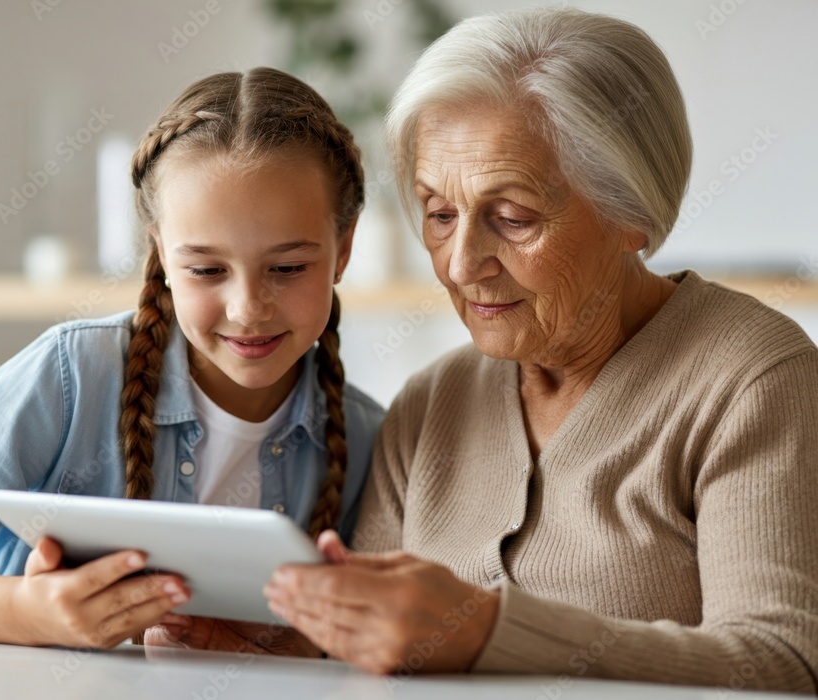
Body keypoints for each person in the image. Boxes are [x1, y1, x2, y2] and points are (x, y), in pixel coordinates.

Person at [261, 8, 818, 692]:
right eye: (439, 215)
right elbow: (358, 662)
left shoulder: (755, 379)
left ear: (632, 212)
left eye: (513, 217)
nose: (461, 264)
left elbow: (783, 663)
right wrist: (254, 645)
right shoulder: (432, 403)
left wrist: (489, 631)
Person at [0, 67, 384, 651]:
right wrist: (24, 613)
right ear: (160, 252)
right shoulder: (73, 377)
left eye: (288, 267)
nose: (246, 308)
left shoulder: (368, 437)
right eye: (206, 269)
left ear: (343, 250)